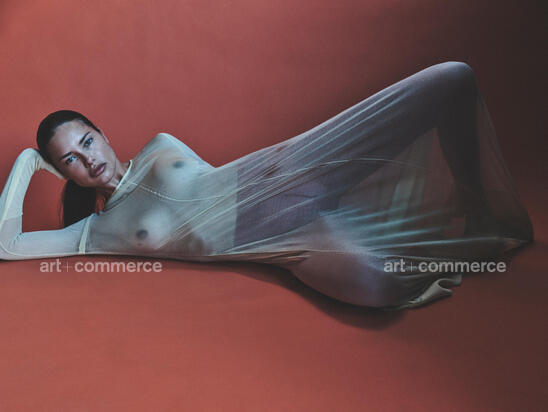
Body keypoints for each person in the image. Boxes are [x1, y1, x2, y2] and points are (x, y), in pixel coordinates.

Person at [0, 61, 534, 310]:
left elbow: (217, 186)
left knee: (452, 79)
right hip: (285, 239)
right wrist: (27, 162)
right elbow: (8, 244)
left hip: (296, 168)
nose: (87, 159)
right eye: (68, 160)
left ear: (103, 134)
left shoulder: (161, 144)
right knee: (381, 285)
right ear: (62, 172)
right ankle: (374, 226)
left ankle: (479, 206)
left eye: (87, 142)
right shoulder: (93, 233)